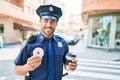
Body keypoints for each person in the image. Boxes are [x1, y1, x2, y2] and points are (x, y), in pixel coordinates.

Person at [14, 4, 77, 80]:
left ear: (56, 23)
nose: (49, 25)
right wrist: (27, 67)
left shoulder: (62, 43)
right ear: (40, 21)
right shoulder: (29, 43)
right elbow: (17, 70)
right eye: (46, 20)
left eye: (52, 21)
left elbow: (65, 65)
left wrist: (70, 67)